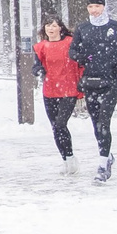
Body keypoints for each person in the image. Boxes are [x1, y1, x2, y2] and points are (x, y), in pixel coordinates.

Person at [69, 0, 117, 184]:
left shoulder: (116, 27)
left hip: (111, 80)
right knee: (95, 123)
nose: (94, 10)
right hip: (91, 80)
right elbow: (72, 51)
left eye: (97, 6)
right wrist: (80, 57)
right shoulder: (83, 28)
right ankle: (106, 155)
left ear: (104, 6)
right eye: (91, 6)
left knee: (103, 120)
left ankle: (102, 165)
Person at [32, 16, 84, 166]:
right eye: (48, 25)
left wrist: (82, 80)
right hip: (50, 90)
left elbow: (82, 62)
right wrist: (39, 70)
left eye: (54, 26)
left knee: (61, 124)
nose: (51, 28)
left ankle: (70, 156)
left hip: (69, 89)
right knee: (55, 127)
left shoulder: (70, 43)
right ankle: (66, 159)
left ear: (61, 28)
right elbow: (35, 67)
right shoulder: (41, 47)